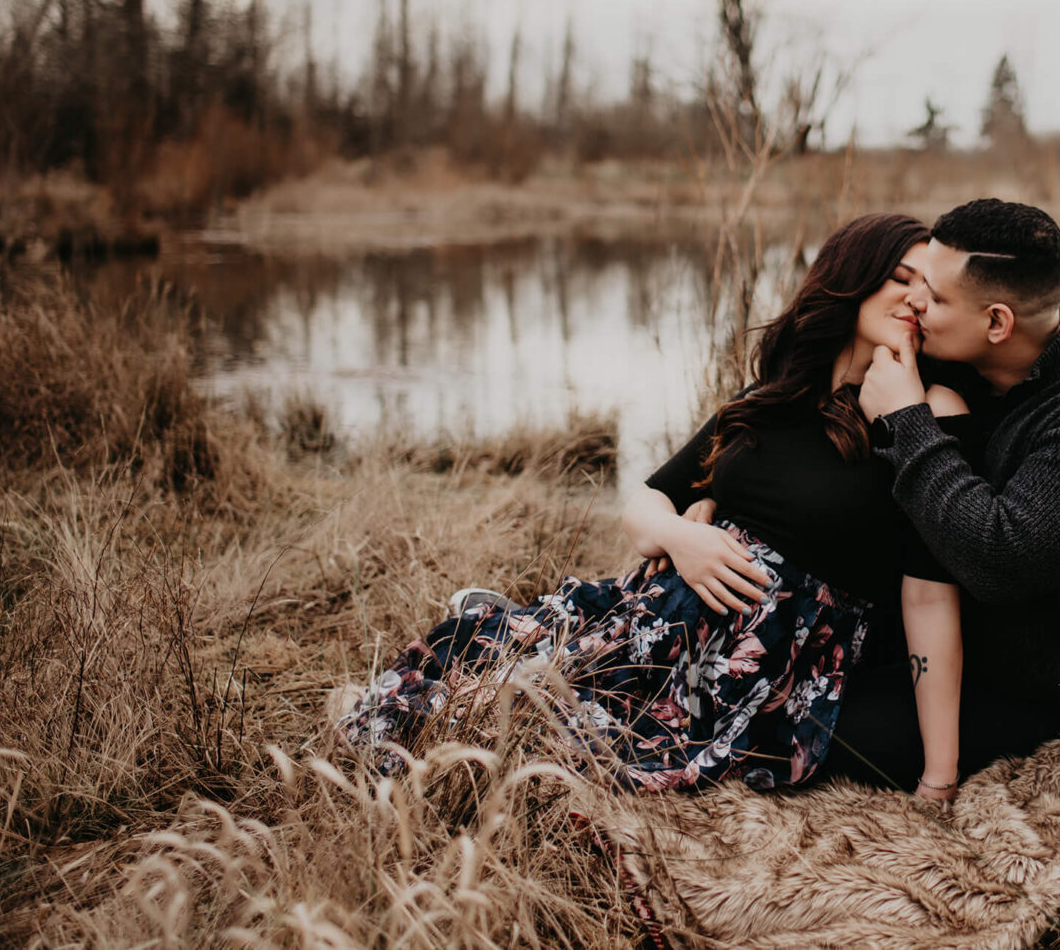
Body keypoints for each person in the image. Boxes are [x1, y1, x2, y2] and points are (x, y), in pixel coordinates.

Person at [337, 213, 973, 799]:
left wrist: (939, 778)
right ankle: (499, 627)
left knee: (586, 743)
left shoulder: (929, 413)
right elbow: (645, 504)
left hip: (752, 665)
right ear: (850, 280)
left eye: (931, 288)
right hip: (661, 611)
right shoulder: (772, 400)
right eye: (900, 278)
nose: (919, 298)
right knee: (463, 692)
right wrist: (682, 537)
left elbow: (927, 593)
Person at [819, 198, 1060, 791]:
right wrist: (710, 494)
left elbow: (997, 560)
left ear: (996, 323)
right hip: (961, 652)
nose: (916, 303)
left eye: (934, 298)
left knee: (806, 731)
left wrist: (910, 420)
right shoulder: (972, 368)